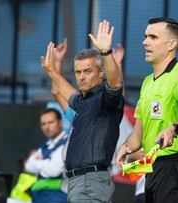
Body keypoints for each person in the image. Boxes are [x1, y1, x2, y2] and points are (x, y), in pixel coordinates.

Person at [116, 17, 178, 203]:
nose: (145, 42)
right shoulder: (147, 82)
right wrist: (126, 147)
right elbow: (138, 134)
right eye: (145, 36)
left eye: (153, 37)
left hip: (176, 167)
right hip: (152, 168)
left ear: (172, 44)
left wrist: (174, 128)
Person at [41, 20, 124, 202]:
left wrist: (106, 52)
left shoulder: (105, 98)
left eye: (87, 71)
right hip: (77, 181)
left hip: (91, 181)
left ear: (101, 72)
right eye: (78, 72)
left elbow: (115, 84)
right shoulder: (83, 101)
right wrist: (52, 71)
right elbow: (64, 93)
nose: (81, 77)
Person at [25, 108, 68, 203]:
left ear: (60, 123)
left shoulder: (67, 143)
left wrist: (39, 162)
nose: (47, 127)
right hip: (39, 198)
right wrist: (48, 162)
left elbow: (53, 171)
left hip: (58, 198)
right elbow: (28, 166)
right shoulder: (45, 145)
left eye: (51, 122)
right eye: (43, 124)